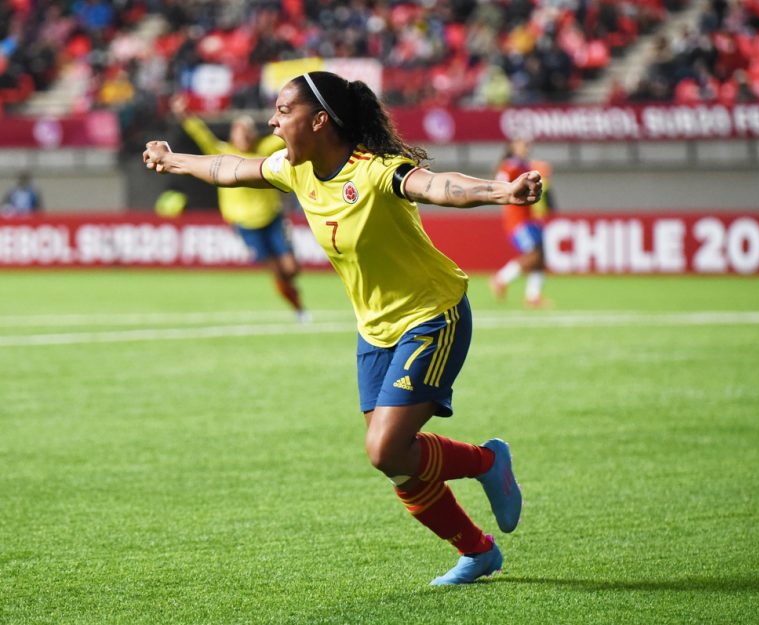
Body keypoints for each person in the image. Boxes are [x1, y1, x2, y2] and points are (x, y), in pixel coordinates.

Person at [144, 71, 543, 585]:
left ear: (318, 120)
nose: (272, 121)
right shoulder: (297, 170)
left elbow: (438, 185)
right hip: (375, 329)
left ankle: (489, 462)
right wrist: (173, 159)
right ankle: (477, 551)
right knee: (395, 463)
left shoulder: (376, 170)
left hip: (432, 316)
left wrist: (501, 192)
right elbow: (230, 167)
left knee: (384, 448)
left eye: (282, 112)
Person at [170, 95, 307, 320]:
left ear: (252, 134)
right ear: (233, 135)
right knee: (277, 272)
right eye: (238, 132)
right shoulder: (223, 154)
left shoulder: (265, 148)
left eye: (246, 131)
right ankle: (297, 306)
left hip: (272, 218)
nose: (243, 136)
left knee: (291, 269)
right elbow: (201, 134)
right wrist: (185, 115)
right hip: (245, 224)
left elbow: (288, 136)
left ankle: (292, 292)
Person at [491, 136, 555, 308]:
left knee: (540, 257)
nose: (526, 147)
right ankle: (501, 278)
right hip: (518, 221)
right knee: (534, 255)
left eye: (527, 144)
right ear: (512, 146)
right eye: (522, 144)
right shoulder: (511, 165)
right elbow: (499, 183)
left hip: (531, 219)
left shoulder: (525, 165)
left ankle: (533, 296)